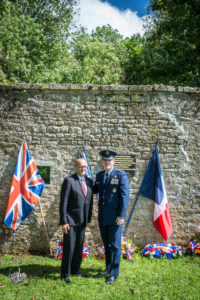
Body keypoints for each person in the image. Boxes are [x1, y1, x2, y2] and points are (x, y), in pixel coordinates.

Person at [94, 150, 129, 284]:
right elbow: (94, 190)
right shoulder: (99, 175)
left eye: (109, 160)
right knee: (107, 244)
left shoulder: (121, 175)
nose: (107, 162)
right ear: (102, 162)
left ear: (113, 161)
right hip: (102, 217)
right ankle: (108, 268)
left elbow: (124, 196)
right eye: (105, 160)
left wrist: (121, 215)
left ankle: (114, 273)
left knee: (115, 245)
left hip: (115, 218)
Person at [59, 158, 93, 284]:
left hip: (82, 221)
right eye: (80, 166)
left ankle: (75, 270)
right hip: (71, 221)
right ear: (75, 167)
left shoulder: (89, 182)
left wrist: (88, 219)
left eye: (85, 166)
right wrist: (64, 221)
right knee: (69, 248)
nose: (83, 168)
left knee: (79, 247)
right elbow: (64, 202)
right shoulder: (69, 181)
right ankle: (65, 274)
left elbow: (89, 202)